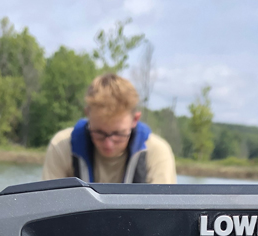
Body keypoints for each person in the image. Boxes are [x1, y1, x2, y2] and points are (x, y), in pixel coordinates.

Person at [41, 73, 177, 184]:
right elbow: (47, 208)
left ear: (135, 120)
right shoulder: (61, 145)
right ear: (88, 114)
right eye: (99, 132)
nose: (108, 144)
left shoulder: (157, 152)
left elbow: (165, 215)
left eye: (118, 134)